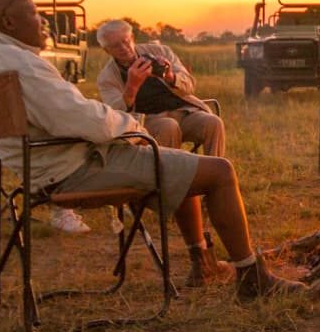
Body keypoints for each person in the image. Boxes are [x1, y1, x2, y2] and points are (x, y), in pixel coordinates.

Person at [0, 0, 303, 299]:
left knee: (182, 166)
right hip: (77, 168)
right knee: (218, 171)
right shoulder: (23, 64)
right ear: (8, 22)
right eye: (33, 13)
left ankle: (203, 264)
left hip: (50, 166)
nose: (43, 20)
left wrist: (167, 76)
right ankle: (252, 279)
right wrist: (131, 122)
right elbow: (88, 120)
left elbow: (183, 85)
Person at [94, 19, 232, 286]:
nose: (123, 49)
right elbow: (117, 115)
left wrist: (168, 76)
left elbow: (189, 85)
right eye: (115, 46)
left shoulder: (161, 52)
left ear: (132, 37)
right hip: (149, 120)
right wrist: (132, 86)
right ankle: (178, 189)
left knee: (213, 122)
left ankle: (211, 187)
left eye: (126, 41)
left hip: (183, 110)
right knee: (167, 126)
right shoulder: (107, 76)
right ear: (107, 51)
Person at [0, 53, 91, 235]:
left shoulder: (32, 62)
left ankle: (65, 197)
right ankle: (60, 209)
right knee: (42, 143)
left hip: (11, 130)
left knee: (67, 135)